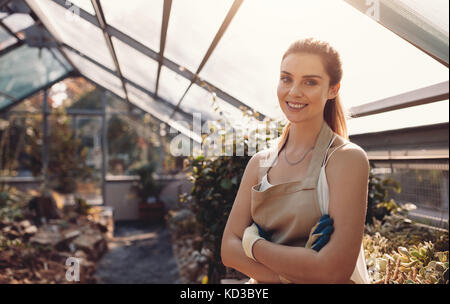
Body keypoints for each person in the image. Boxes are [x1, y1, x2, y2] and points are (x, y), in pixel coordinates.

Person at [221, 38, 371, 284]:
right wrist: (298, 272)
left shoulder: (346, 159)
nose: (294, 92)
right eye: (286, 79)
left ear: (333, 89)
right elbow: (228, 249)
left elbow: (333, 272)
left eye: (310, 82)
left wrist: (252, 244)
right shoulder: (260, 163)